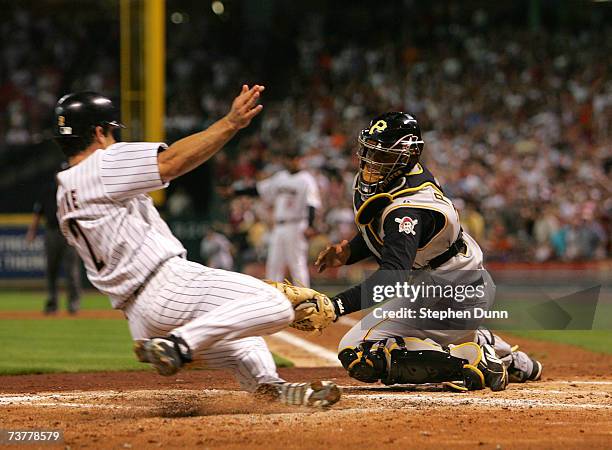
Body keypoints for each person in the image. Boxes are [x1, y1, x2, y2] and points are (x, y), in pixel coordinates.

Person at [51, 88, 340, 407]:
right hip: (167, 286)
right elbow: (171, 162)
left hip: (140, 320)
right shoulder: (102, 163)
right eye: (112, 132)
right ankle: (179, 345)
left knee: (246, 342)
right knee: (275, 305)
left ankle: (269, 388)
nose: (114, 139)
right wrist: (230, 123)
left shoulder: (65, 193)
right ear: (98, 131)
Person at [308, 112, 542, 390]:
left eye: (383, 156)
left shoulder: (408, 208)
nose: (372, 162)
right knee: (404, 336)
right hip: (455, 286)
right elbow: (388, 232)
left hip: (446, 293)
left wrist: (336, 306)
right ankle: (508, 358)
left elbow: (390, 279)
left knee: (359, 353)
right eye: (371, 151)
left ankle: (475, 364)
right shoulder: (407, 176)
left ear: (409, 154)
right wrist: (349, 250)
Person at [227, 153, 321, 286]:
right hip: (279, 225)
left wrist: (310, 225)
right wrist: (237, 192)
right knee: (274, 263)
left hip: (297, 224)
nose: (292, 161)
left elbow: (312, 204)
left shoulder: (306, 179)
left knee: (297, 264)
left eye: (295, 158)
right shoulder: (280, 177)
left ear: (300, 160)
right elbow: (259, 189)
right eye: (289, 158)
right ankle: (273, 297)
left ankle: (305, 298)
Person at [26, 168, 81, 314]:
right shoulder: (47, 192)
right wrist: (32, 232)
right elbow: (38, 213)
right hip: (52, 232)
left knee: (72, 270)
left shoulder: (74, 191)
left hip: (70, 233)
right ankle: (52, 304)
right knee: (51, 270)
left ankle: (73, 304)